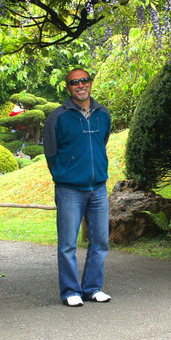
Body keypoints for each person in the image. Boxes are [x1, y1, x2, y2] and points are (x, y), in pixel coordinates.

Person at [42, 68, 113, 307]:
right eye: (75, 82)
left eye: (84, 80)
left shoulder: (103, 114)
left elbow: (102, 143)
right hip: (70, 189)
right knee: (67, 244)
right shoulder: (58, 116)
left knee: (101, 241)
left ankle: (92, 288)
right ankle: (70, 291)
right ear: (68, 87)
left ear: (90, 83)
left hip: (99, 188)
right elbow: (51, 153)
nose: (80, 85)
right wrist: (65, 174)